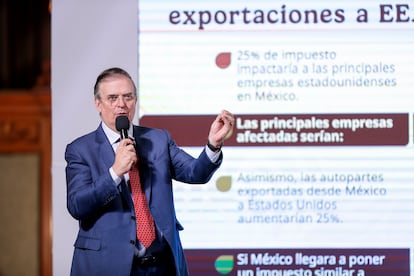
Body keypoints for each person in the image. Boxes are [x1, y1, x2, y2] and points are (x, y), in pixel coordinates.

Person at [65, 67, 235, 276]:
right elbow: (77, 205)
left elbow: (194, 173)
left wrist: (213, 145)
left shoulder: (158, 139)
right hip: (108, 266)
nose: (121, 104)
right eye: (112, 98)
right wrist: (115, 172)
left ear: (135, 101)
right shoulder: (80, 149)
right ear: (98, 104)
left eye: (128, 96)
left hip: (161, 266)